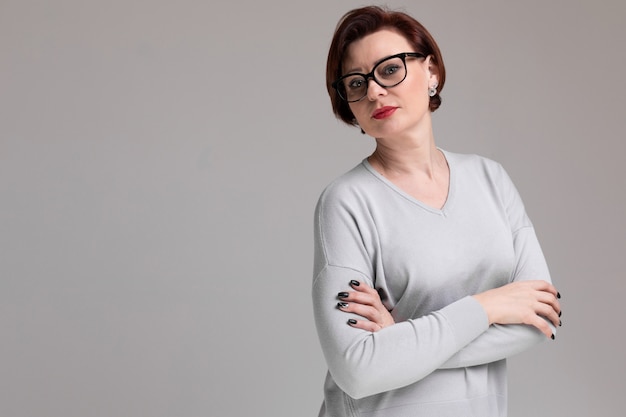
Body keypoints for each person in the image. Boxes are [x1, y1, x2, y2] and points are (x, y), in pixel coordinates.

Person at [311, 5, 562, 417]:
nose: (374, 91)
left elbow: (542, 318)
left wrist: (400, 345)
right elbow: (356, 371)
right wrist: (488, 307)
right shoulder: (345, 203)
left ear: (432, 72)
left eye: (389, 70)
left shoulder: (490, 179)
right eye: (356, 83)